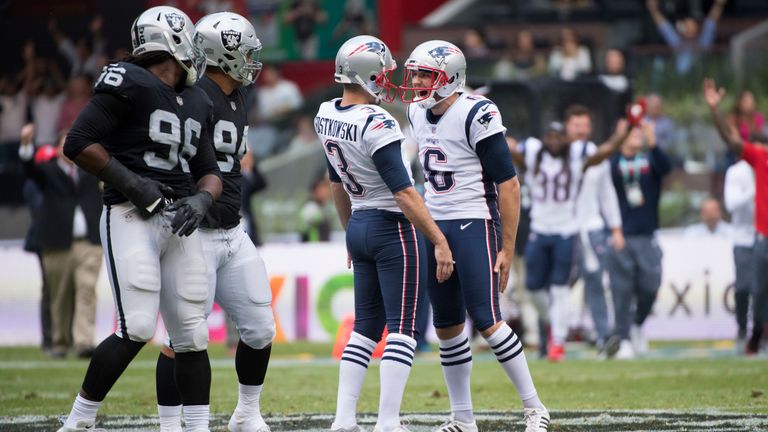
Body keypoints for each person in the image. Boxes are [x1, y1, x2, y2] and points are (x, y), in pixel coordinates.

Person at [57, 7, 221, 431]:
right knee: (138, 325)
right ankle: (78, 421)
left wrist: (202, 201)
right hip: (130, 215)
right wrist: (135, 185)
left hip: (179, 220)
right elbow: (77, 143)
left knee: (191, 333)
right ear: (172, 41)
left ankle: (198, 426)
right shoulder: (128, 80)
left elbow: (209, 171)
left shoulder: (198, 98)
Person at [401, 40, 548, 432]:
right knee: (447, 325)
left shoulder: (476, 113)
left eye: (424, 75)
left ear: (449, 79)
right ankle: (462, 418)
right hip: (436, 226)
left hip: (473, 222)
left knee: (487, 319)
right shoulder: (416, 110)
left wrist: (507, 245)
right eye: (414, 73)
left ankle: (535, 407)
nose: (415, 81)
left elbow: (509, 184)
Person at [318, 35, 454, 432]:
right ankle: (388, 422)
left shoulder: (326, 112)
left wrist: (349, 231)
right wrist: (438, 239)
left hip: (359, 224)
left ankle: (344, 420)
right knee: (405, 329)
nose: (390, 79)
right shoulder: (378, 122)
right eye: (385, 72)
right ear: (369, 74)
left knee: (364, 327)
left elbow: (335, 183)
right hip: (392, 228)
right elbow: (404, 192)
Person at [153, 12, 276, 432]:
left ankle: (246, 412)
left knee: (260, 328)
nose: (251, 60)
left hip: (232, 230)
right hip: (194, 233)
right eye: (244, 51)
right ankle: (172, 424)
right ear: (221, 55)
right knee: (181, 340)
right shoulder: (193, 95)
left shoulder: (240, 95)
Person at [510, 112, 631, 363]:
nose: (554, 141)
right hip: (540, 230)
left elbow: (603, 153)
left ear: (565, 139)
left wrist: (623, 134)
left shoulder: (577, 156)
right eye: (549, 137)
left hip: (566, 231)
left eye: (558, 137)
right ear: (543, 139)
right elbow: (511, 148)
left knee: (560, 288)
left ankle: (557, 343)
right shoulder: (533, 153)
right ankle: (550, 323)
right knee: (533, 288)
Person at [19, 125, 102, 359]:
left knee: (87, 290)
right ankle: (60, 342)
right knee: (59, 295)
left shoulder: (91, 169)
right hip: (57, 243)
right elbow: (29, 170)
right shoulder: (48, 171)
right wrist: (26, 144)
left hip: (89, 243)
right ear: (56, 149)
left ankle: (84, 341)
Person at [703, 78, 768, 355]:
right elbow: (731, 141)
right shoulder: (760, 160)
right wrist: (715, 111)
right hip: (762, 236)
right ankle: (753, 335)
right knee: (759, 291)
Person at [604, 121, 671, 360]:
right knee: (621, 291)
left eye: (639, 133)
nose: (637, 136)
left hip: (647, 234)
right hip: (620, 235)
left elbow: (666, 167)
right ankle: (623, 340)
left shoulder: (650, 160)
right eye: (631, 132)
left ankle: (636, 324)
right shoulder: (612, 164)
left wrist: (653, 140)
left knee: (650, 286)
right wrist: (617, 136)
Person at [566, 106, 624, 355]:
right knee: (556, 286)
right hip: (563, 230)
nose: (580, 130)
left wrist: (616, 228)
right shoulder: (555, 154)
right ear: (567, 127)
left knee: (595, 284)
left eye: (584, 125)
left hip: (592, 228)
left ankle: (604, 337)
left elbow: (607, 194)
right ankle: (552, 338)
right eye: (575, 124)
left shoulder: (598, 155)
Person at [723, 153, 756, 352]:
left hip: (764, 236)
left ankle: (762, 333)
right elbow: (731, 204)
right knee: (743, 287)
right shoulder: (737, 172)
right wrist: (755, 189)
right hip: (743, 237)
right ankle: (742, 328)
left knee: (763, 291)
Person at [646, 0, 727, 75]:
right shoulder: (678, 42)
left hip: (700, 78)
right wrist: (653, 10)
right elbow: (665, 27)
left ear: (697, 30)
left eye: (692, 28)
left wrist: (718, 4)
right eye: (687, 28)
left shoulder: (703, 42)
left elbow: (710, 24)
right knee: (659, 63)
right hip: (679, 82)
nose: (689, 30)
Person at [298, 174, 333, 242]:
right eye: (321, 190)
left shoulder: (323, 208)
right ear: (314, 192)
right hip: (314, 249)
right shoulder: (310, 208)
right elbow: (305, 230)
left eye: (326, 189)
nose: (325, 192)